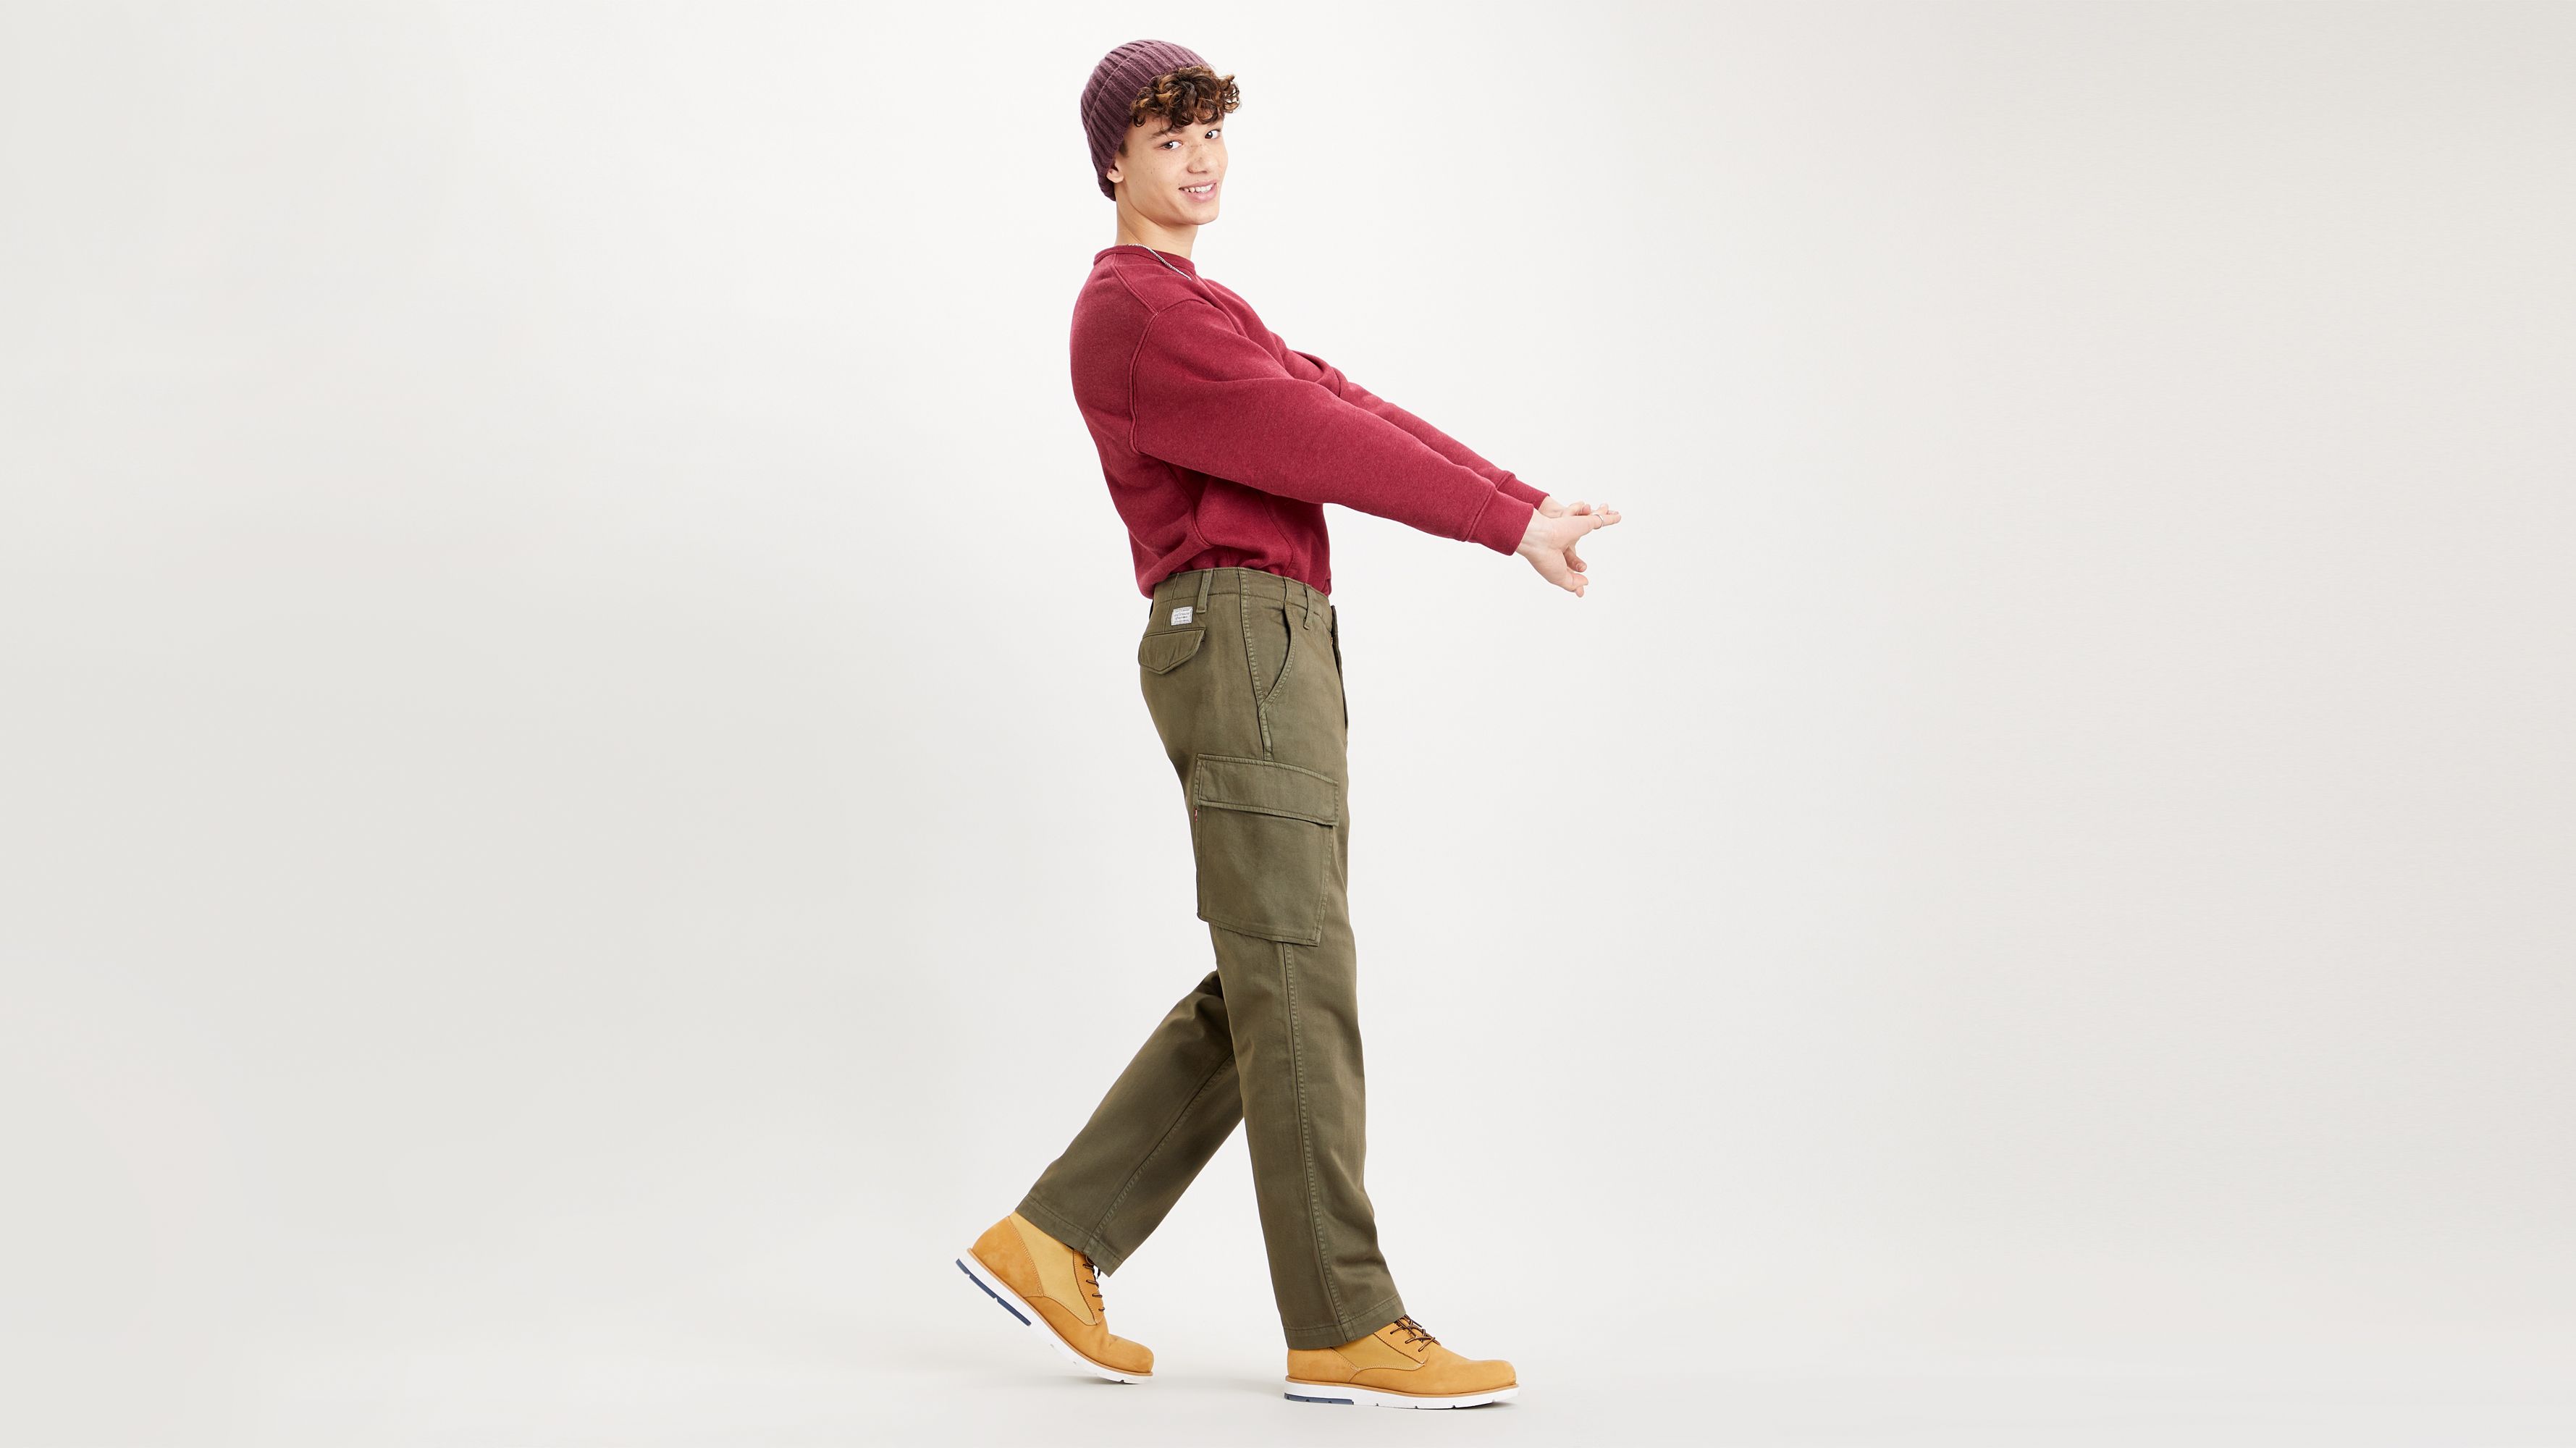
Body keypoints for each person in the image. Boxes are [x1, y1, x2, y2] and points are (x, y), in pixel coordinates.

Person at [953, 39, 1620, 1411]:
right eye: (1167, 138)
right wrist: (1500, 525)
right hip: (1240, 635)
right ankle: (1343, 1322)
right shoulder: (1136, 312)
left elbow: (1338, 400)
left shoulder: (1201, 306)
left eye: (1209, 132)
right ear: (1111, 164)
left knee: (1272, 969)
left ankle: (1054, 1238)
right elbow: (1313, 437)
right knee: (1296, 973)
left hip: (1272, 639)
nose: (1199, 159)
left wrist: (1519, 502)